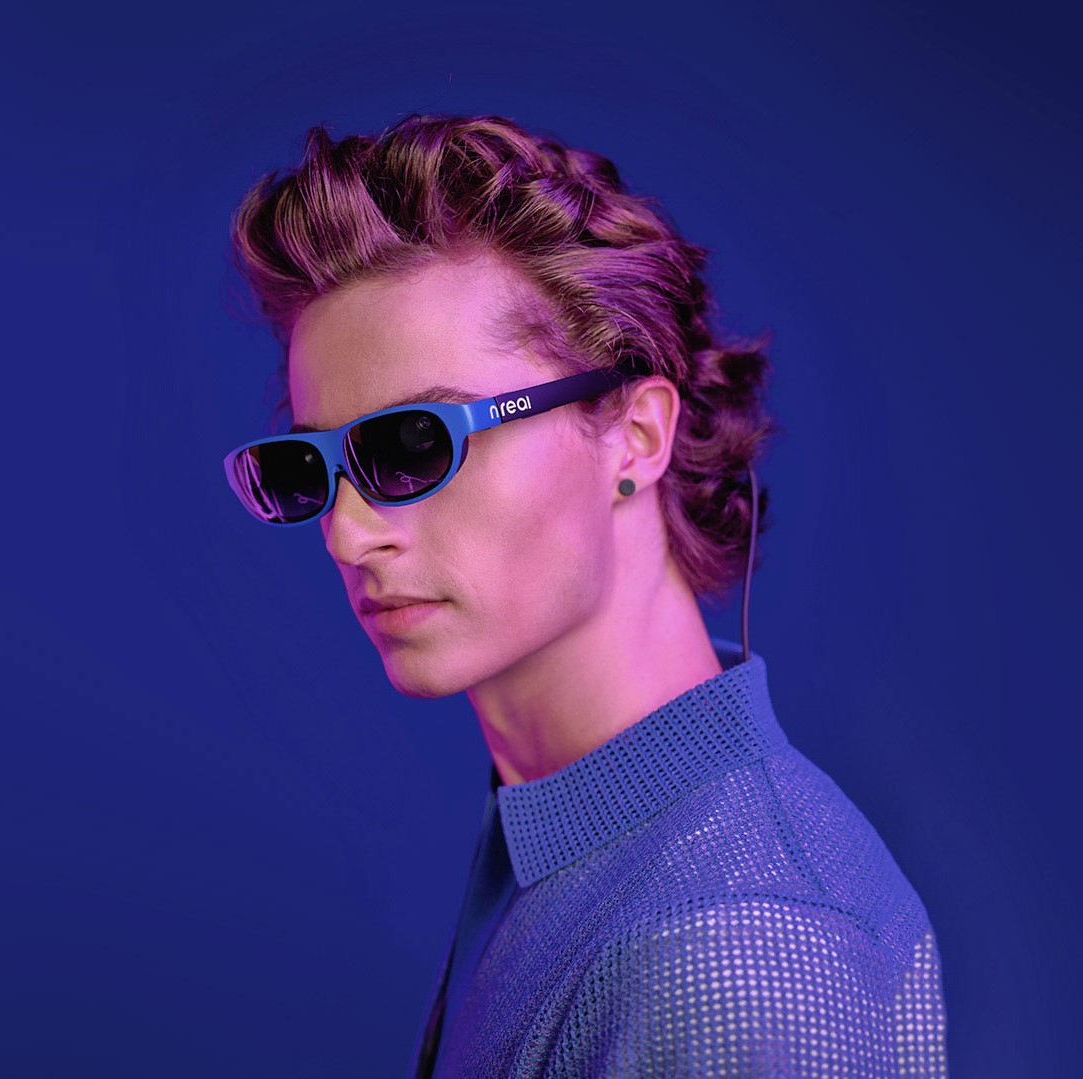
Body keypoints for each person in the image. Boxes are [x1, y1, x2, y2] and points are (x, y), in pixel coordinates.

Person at [221, 114, 948, 1077]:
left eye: (414, 445)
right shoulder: (569, 833)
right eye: (307, 469)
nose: (348, 534)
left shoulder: (734, 943)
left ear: (635, 435)